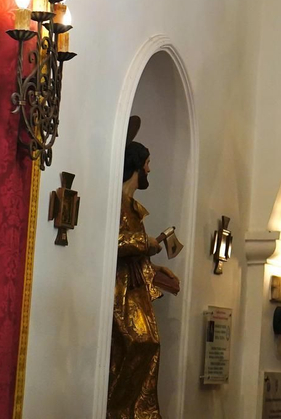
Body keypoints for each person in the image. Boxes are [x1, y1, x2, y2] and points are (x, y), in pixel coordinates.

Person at [108, 122, 180, 419]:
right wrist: (145, 242)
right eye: (148, 163)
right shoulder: (116, 202)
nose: (150, 170)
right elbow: (113, 240)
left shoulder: (135, 208)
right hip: (120, 288)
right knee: (136, 343)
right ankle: (115, 408)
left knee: (152, 344)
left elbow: (137, 251)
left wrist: (158, 266)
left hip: (137, 285)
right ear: (137, 165)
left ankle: (142, 411)